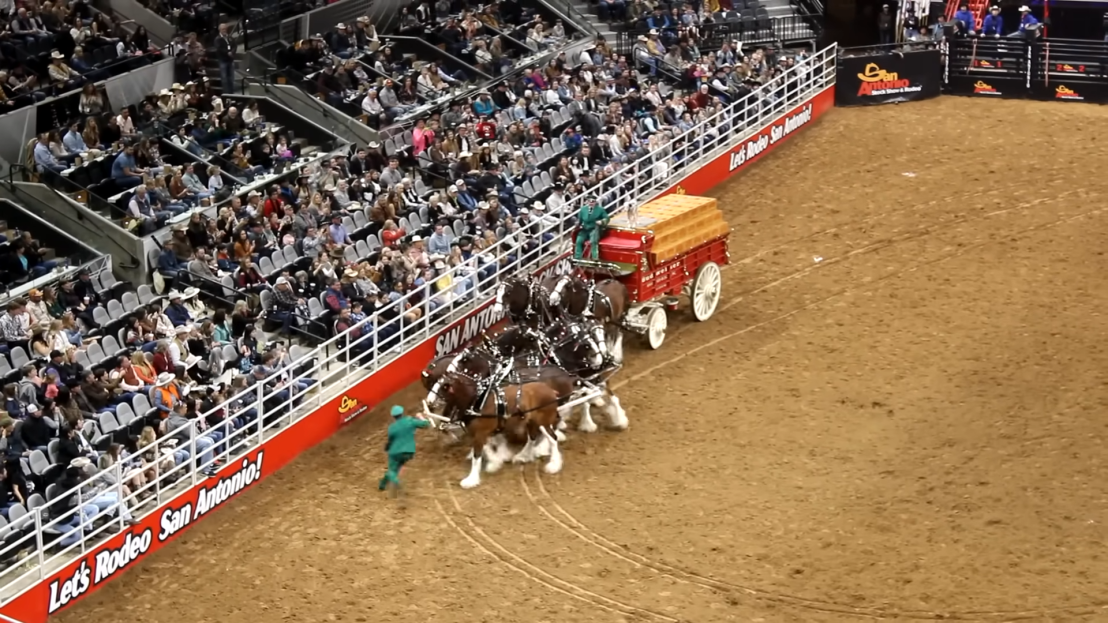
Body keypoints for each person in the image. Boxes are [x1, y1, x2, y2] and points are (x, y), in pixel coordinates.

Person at [378, 405, 429, 494]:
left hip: (395, 452)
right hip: (409, 452)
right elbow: (426, 424)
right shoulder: (409, 421)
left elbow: (390, 441)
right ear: (402, 413)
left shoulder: (392, 428)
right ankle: (382, 485)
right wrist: (421, 417)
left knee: (392, 470)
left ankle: (398, 486)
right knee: (394, 469)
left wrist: (387, 448)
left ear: (393, 416)